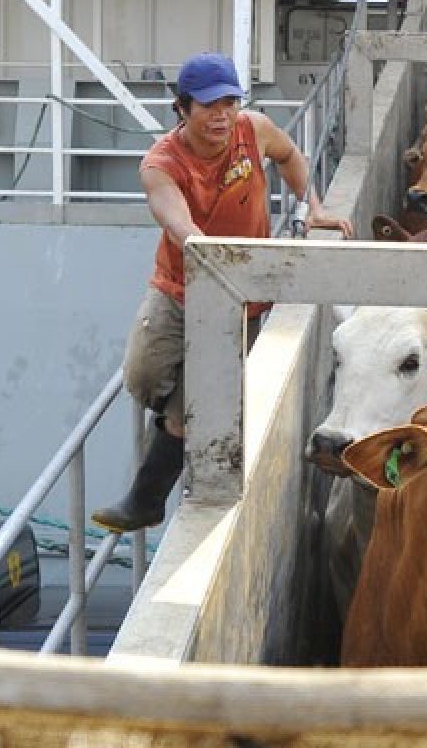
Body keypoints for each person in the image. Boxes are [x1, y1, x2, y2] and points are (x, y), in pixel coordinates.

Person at [92, 52, 353, 533]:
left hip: (241, 299)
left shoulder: (253, 131)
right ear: (183, 109)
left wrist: (310, 207)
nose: (222, 116)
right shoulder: (161, 164)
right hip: (177, 287)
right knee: (142, 374)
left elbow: (291, 156)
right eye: (210, 106)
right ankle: (175, 418)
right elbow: (177, 223)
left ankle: (147, 498)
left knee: (190, 409)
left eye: (230, 103)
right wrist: (202, 245)